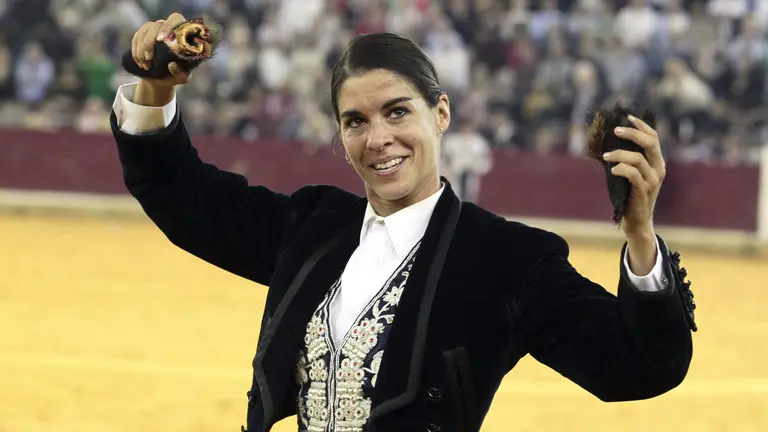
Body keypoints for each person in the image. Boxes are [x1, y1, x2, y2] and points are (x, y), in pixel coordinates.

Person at [111, 13, 695, 432]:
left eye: (397, 112)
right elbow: (181, 196)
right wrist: (155, 85)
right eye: (356, 121)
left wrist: (641, 239)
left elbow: (637, 369)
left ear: (440, 112)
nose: (379, 138)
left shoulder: (505, 259)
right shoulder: (314, 228)